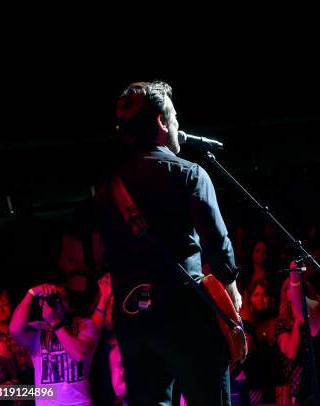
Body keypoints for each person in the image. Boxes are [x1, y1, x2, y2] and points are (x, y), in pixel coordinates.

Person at [96, 81, 241, 406]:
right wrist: (230, 288)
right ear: (161, 122)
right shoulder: (189, 174)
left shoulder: (108, 189)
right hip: (183, 312)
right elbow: (218, 248)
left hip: (132, 317)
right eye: (173, 116)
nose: (178, 124)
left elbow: (105, 253)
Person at [9, 283, 98, 406]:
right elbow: (14, 330)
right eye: (54, 299)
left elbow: (79, 355)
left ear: (69, 303)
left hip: (78, 402)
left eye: (63, 299)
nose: (59, 303)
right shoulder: (38, 328)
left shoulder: (84, 324)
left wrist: (54, 322)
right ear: (42, 303)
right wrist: (30, 294)